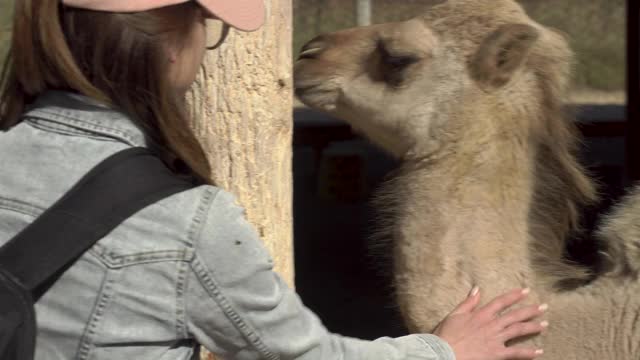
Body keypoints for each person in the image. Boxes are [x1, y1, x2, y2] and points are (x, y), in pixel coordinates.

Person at [0, 1, 548, 359]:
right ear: (171, 44)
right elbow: (301, 356)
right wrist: (443, 352)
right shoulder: (189, 222)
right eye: (206, 26)